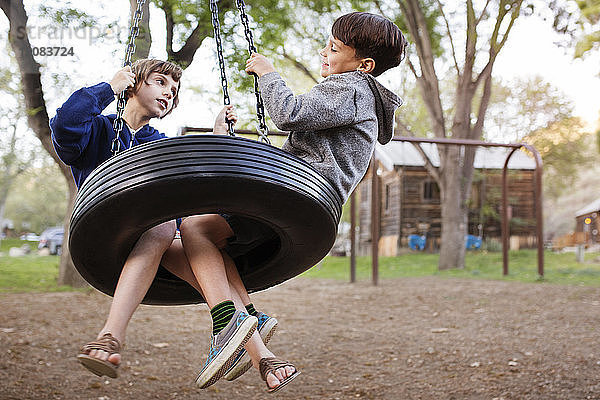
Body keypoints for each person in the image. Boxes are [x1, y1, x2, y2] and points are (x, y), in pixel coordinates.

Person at [180, 10, 408, 393]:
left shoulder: (349, 87)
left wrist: (268, 73)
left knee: (193, 226)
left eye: (334, 48)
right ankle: (249, 317)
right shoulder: (362, 100)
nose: (324, 52)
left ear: (363, 65)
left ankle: (225, 322)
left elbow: (289, 114)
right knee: (216, 245)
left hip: (299, 193)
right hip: (311, 204)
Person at [51, 58, 293, 393]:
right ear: (134, 82)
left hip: (154, 243)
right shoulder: (97, 131)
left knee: (202, 248)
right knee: (164, 226)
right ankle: (111, 334)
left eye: (175, 90)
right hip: (103, 238)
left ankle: (257, 350)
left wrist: (219, 138)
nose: (169, 93)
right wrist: (107, 89)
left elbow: (189, 196)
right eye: (161, 82)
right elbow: (65, 124)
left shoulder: (159, 144)